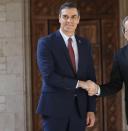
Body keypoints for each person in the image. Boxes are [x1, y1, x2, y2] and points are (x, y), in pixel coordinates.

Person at [36, 2, 96, 131]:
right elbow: (49, 77)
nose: (69, 20)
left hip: (79, 110)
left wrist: (91, 109)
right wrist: (80, 84)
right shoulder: (46, 43)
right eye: (65, 16)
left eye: (73, 17)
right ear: (59, 18)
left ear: (78, 20)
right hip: (54, 109)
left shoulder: (85, 44)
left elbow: (91, 77)